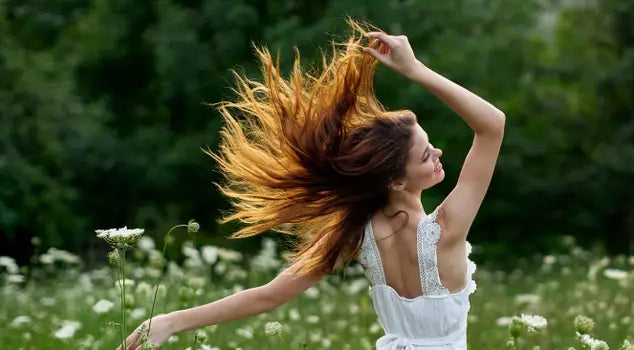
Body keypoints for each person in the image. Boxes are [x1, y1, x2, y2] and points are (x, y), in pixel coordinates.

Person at [119, 17, 505, 350]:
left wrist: (169, 321)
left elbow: (269, 296)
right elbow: (492, 126)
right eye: (424, 154)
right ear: (395, 181)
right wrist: (416, 70)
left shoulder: (357, 234)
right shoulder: (446, 230)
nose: (438, 152)